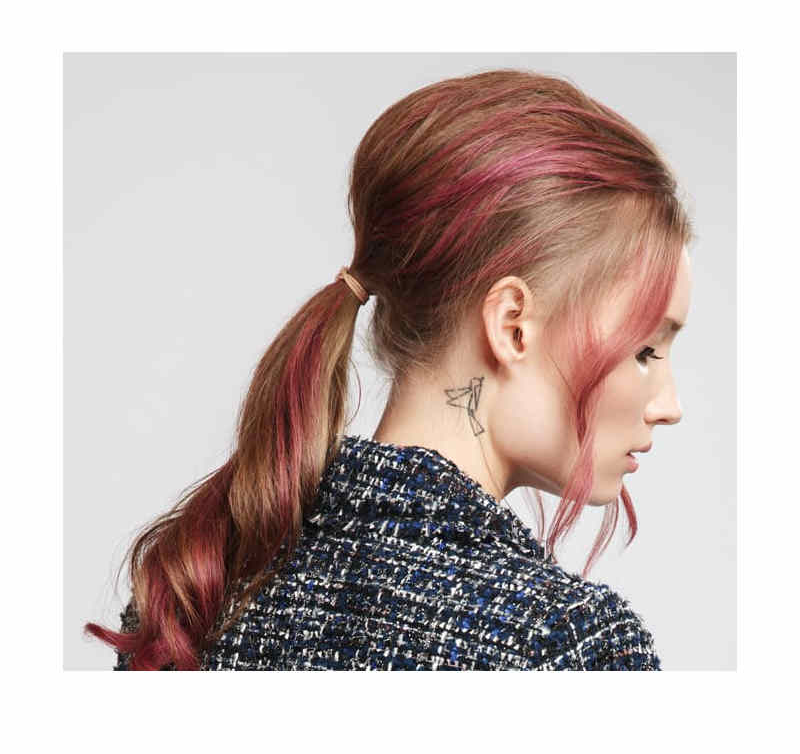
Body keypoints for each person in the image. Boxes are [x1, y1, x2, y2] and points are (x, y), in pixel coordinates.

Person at [84, 68, 694, 670]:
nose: (669, 406)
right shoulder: (565, 645)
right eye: (645, 350)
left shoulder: (193, 596)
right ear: (513, 325)